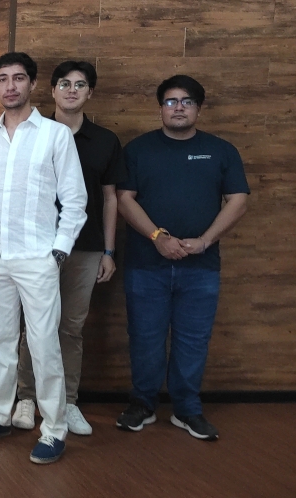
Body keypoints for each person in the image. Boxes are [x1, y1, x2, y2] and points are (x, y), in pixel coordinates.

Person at [0, 53, 87, 465]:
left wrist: (59, 249)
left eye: (18, 78)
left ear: (32, 84)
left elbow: (75, 200)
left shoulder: (55, 135)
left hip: (37, 256)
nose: (10, 86)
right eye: (2, 79)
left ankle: (53, 428)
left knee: (43, 343)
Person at [115, 75, 248, 441]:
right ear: (160, 108)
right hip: (146, 264)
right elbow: (124, 199)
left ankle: (187, 409)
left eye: (186, 101)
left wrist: (204, 241)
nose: (178, 107)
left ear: (198, 108)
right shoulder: (139, 150)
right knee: (145, 338)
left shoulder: (221, 151)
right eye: (171, 101)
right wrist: (158, 237)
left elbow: (238, 200)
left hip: (200, 268)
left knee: (193, 339)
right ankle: (142, 404)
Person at [12, 61, 126, 436]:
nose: (71, 90)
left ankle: (68, 401)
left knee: (70, 328)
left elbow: (110, 199)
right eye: (64, 83)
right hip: (35, 246)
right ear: (52, 90)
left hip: (85, 246)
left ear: (90, 92)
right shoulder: (33, 133)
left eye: (80, 85)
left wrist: (108, 251)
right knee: (34, 326)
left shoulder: (105, 141)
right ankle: (27, 398)